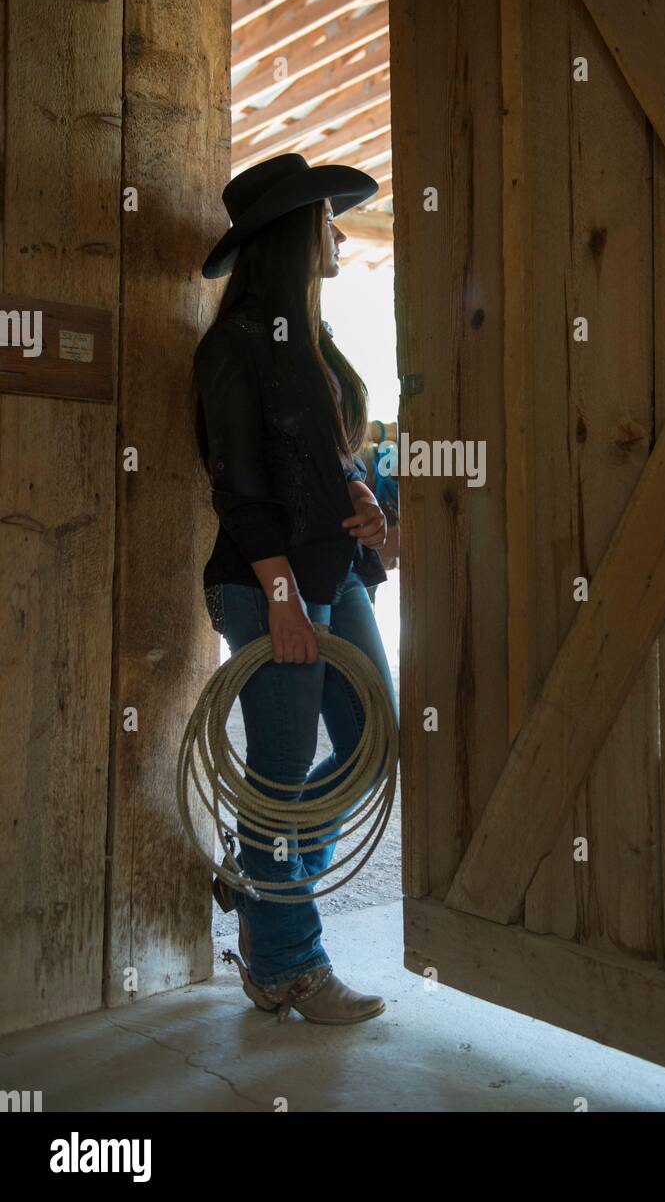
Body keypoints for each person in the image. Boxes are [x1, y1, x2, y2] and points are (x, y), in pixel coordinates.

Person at [192, 153, 399, 1026]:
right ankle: (286, 963)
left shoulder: (312, 343)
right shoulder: (234, 347)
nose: (340, 234)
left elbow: (323, 459)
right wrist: (279, 596)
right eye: (327, 221)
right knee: (280, 772)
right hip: (268, 579)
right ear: (293, 235)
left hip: (331, 569)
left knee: (371, 739)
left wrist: (361, 502)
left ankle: (260, 876)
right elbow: (238, 485)